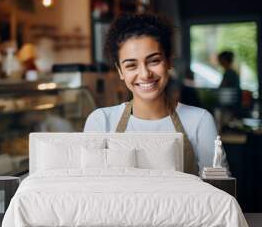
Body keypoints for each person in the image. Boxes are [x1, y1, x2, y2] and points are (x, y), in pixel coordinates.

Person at [83, 13, 227, 175]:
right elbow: (92, 189)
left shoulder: (199, 121)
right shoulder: (101, 121)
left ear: (169, 62)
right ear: (120, 71)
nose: (145, 74)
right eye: (131, 65)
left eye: (154, 61)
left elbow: (218, 191)